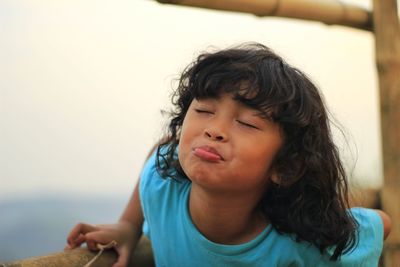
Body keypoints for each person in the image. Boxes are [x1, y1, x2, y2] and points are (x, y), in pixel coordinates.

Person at [65, 43, 391, 267]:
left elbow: (381, 222)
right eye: (204, 110)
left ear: (285, 166)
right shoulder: (163, 187)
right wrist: (128, 225)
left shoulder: (299, 243)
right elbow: (162, 148)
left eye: (247, 123)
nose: (215, 129)